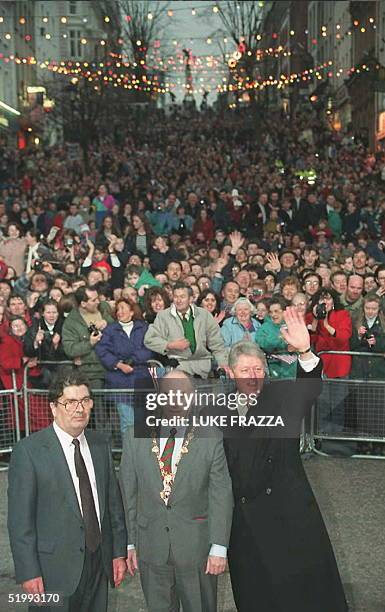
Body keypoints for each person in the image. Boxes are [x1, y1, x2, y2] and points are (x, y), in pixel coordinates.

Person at [224, 309, 348, 612]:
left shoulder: (281, 399)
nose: (253, 377)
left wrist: (305, 351)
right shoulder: (218, 408)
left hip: (287, 516)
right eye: (245, 371)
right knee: (256, 594)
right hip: (243, 524)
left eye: (258, 370)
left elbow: (309, 390)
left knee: (298, 596)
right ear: (229, 373)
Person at [7, 367, 127, 612]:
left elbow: (113, 505)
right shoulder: (29, 452)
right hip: (52, 573)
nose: (79, 409)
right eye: (70, 402)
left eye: (84, 401)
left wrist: (118, 553)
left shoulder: (100, 444)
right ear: (54, 407)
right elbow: (20, 522)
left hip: (98, 564)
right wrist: (29, 572)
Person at [119, 370, 233, 612]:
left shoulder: (210, 437)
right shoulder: (133, 436)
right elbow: (128, 494)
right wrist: (129, 543)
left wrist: (219, 546)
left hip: (197, 551)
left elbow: (221, 495)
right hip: (151, 549)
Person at [144, 282, 228, 378]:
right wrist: (170, 345)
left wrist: (223, 363)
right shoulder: (163, 316)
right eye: (176, 297)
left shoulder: (205, 315)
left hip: (204, 368)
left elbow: (217, 344)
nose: (178, 300)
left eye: (182, 297)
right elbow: (149, 339)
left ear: (191, 299)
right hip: (177, 369)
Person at [95, 298, 154, 433]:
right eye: (118, 309)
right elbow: (102, 351)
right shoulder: (110, 330)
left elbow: (149, 348)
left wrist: (133, 360)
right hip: (120, 380)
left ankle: (144, 451)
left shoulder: (143, 327)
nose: (119, 312)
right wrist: (119, 364)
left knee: (143, 419)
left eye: (123, 308)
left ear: (132, 311)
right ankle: (129, 451)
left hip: (141, 378)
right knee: (128, 421)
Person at [62, 286, 114, 427]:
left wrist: (107, 323)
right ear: (83, 303)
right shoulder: (71, 322)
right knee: (99, 414)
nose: (98, 301)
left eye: (97, 298)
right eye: (93, 300)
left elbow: (121, 326)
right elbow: (70, 349)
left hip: (114, 367)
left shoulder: (104, 309)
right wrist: (89, 343)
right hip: (92, 372)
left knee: (115, 413)